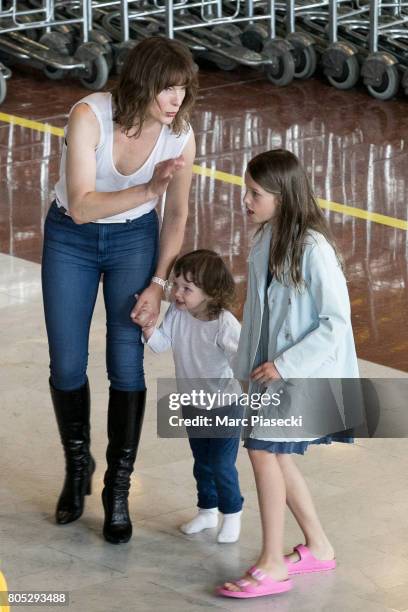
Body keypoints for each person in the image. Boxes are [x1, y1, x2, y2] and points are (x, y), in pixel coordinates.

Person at [41, 37, 198, 544]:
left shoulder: (181, 136)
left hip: (134, 239)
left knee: (125, 364)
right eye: (167, 88)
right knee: (66, 363)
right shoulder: (89, 115)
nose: (176, 99)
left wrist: (157, 282)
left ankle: (117, 487)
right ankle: (77, 463)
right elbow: (83, 206)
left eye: (183, 90)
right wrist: (149, 189)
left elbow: (176, 215)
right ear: (142, 81)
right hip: (72, 235)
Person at [217, 149, 359, 598]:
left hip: (299, 378)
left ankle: (273, 562)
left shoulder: (313, 248)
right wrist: (248, 373)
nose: (246, 199)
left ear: (283, 197)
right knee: (273, 455)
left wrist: (283, 365)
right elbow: (257, 318)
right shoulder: (265, 238)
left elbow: (336, 322)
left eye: (255, 193)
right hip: (270, 378)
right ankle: (318, 545)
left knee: (263, 452)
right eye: (247, 189)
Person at [141, 250, 244, 543]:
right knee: (202, 463)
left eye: (187, 288)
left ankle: (232, 513)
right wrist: (149, 327)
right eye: (176, 285)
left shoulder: (224, 324)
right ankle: (207, 510)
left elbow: (242, 360)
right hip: (192, 403)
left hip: (226, 406)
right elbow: (161, 345)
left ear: (210, 292)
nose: (177, 293)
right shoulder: (177, 312)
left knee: (222, 465)